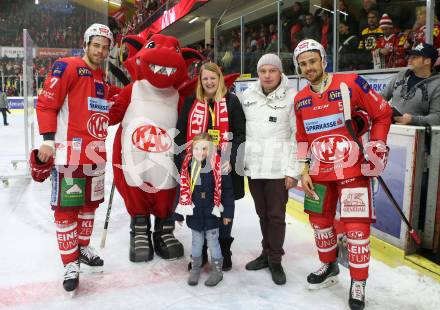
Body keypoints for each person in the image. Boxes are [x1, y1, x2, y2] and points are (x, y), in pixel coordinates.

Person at [293, 39, 392, 310]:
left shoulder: (351, 82)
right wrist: (303, 169)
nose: (308, 67)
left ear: (323, 61)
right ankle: (329, 266)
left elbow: (383, 113)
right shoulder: (300, 99)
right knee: (319, 222)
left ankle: (358, 281)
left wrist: (378, 145)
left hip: (352, 169)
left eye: (313, 61)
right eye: (303, 64)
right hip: (319, 170)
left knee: (356, 229)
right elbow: (302, 138)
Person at [34, 23, 116, 293]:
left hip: (96, 156)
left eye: (105, 47)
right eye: (96, 46)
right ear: (86, 44)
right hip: (69, 154)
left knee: (89, 207)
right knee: (67, 210)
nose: (101, 51)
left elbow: (106, 114)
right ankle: (70, 262)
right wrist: (48, 139)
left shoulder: (103, 79)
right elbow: (47, 103)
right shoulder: (67, 66)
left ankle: (82, 248)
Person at [174, 62, 246, 271]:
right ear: (200, 80)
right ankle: (202, 251)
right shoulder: (191, 102)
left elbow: (240, 134)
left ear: (220, 79)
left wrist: (231, 159)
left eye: (213, 78)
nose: (209, 82)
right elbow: (180, 133)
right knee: (201, 209)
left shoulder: (231, 101)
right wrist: (183, 163)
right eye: (205, 78)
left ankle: (224, 249)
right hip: (197, 168)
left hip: (223, 167)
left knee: (223, 208)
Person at [241, 53, 298, 285]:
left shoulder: (292, 98)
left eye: (271, 71)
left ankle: (275, 260)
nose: (267, 75)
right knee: (262, 214)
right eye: (263, 71)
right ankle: (266, 253)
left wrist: (292, 171)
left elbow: (297, 136)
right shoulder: (247, 96)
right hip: (255, 169)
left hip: (277, 170)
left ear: (280, 72)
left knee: (276, 217)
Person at [174, 133, 235, 286]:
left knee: (214, 242)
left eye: (205, 148)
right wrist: (178, 214)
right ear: (191, 149)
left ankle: (217, 271)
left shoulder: (219, 167)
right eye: (197, 148)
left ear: (212, 150)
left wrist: (228, 213)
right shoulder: (187, 168)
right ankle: (195, 269)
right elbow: (181, 191)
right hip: (195, 215)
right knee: (196, 243)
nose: (200, 152)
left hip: (212, 215)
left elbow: (227, 192)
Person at [381, 43, 440, 126]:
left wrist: (412, 120)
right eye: (410, 56)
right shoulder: (402, 74)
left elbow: (437, 118)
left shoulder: (437, 84)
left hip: (416, 135)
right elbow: (381, 96)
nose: (409, 59)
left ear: (427, 61)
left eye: (414, 57)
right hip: (390, 129)